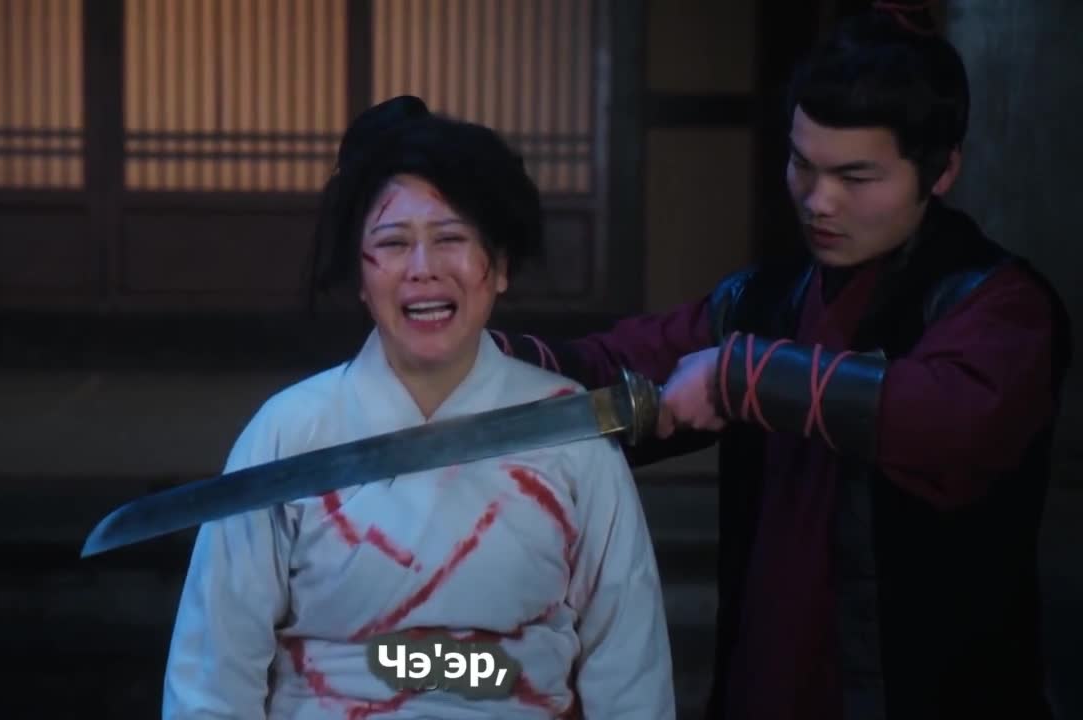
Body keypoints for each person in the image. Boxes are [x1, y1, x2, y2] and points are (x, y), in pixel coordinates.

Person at [492, 8, 1072, 720]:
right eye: (803, 164)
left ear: (942, 169)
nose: (818, 201)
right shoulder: (765, 298)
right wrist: (484, 359)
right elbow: (616, 363)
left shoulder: (997, 304)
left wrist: (740, 376)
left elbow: (949, 420)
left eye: (856, 176)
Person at [162, 96, 677, 719]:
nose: (423, 269)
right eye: (394, 242)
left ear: (500, 265)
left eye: (451, 238)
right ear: (360, 276)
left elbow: (629, 666)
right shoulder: (289, 434)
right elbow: (213, 674)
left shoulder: (572, 431)